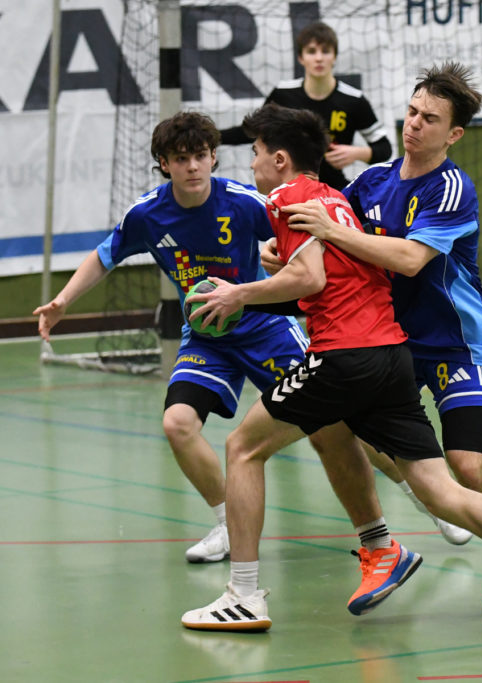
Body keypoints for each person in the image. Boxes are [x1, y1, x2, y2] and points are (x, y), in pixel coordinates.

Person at [181, 103, 482, 646]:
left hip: (346, 355)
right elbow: (333, 271)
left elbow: (311, 279)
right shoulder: (337, 196)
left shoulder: (288, 198)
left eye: (257, 153)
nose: (253, 164)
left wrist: (239, 293)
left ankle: (243, 595)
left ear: (280, 159)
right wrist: (282, 269)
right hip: (391, 354)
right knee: (436, 488)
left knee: (243, 447)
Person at [33, 111, 396, 572]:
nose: (192, 167)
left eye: (200, 156)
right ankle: (228, 523)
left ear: (213, 158)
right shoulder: (147, 214)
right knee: (177, 424)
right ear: (164, 164)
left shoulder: (245, 202)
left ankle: (421, 492)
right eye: (181, 158)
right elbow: (106, 256)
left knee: (335, 423)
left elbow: (300, 244)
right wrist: (63, 301)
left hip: (265, 327)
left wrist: (280, 259)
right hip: (207, 337)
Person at [276, 62, 482, 620]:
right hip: (391, 340)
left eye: (429, 119)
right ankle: (401, 526)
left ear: (453, 133)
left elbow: (411, 259)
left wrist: (331, 232)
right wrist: (291, 253)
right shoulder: (371, 181)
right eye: (412, 112)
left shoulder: (452, 188)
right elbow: (335, 242)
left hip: (457, 343)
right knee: (343, 432)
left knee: (467, 463)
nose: (414, 124)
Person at [218, 20, 391, 191]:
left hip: (333, 190)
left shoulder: (353, 100)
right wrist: (214, 137)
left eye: (325, 51)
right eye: (311, 51)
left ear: (334, 57)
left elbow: (384, 148)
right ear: (301, 58)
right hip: (289, 189)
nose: (319, 58)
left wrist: (358, 153)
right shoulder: (283, 94)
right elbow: (253, 132)